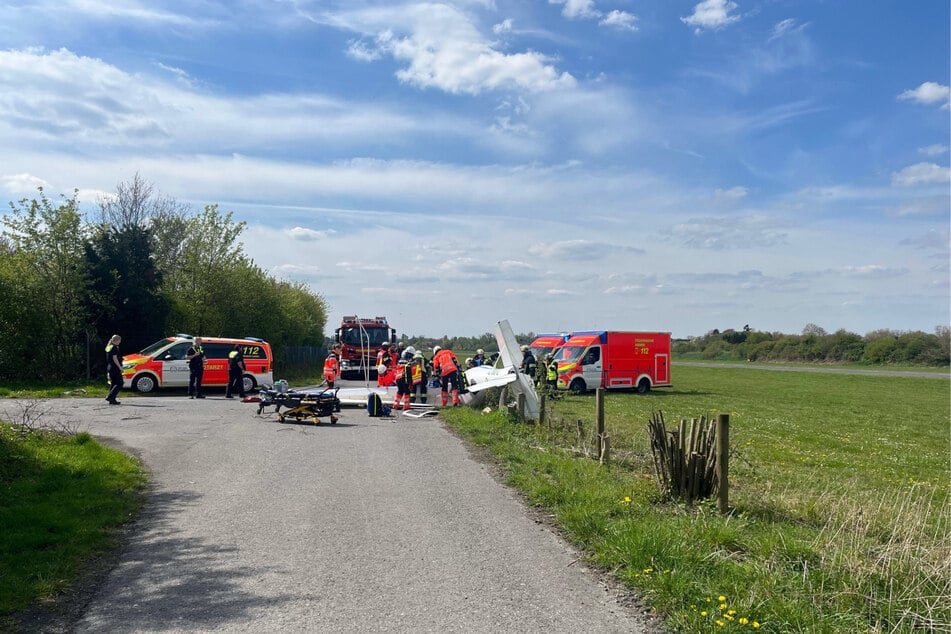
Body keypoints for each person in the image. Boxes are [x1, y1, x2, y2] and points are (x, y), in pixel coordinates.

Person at [105, 334, 124, 405]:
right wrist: (120, 367)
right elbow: (115, 358)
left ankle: (112, 400)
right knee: (120, 383)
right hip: (115, 368)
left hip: (110, 367)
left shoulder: (108, 347)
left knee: (113, 383)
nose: (120, 342)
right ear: (116, 340)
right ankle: (110, 396)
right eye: (119, 341)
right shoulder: (114, 347)